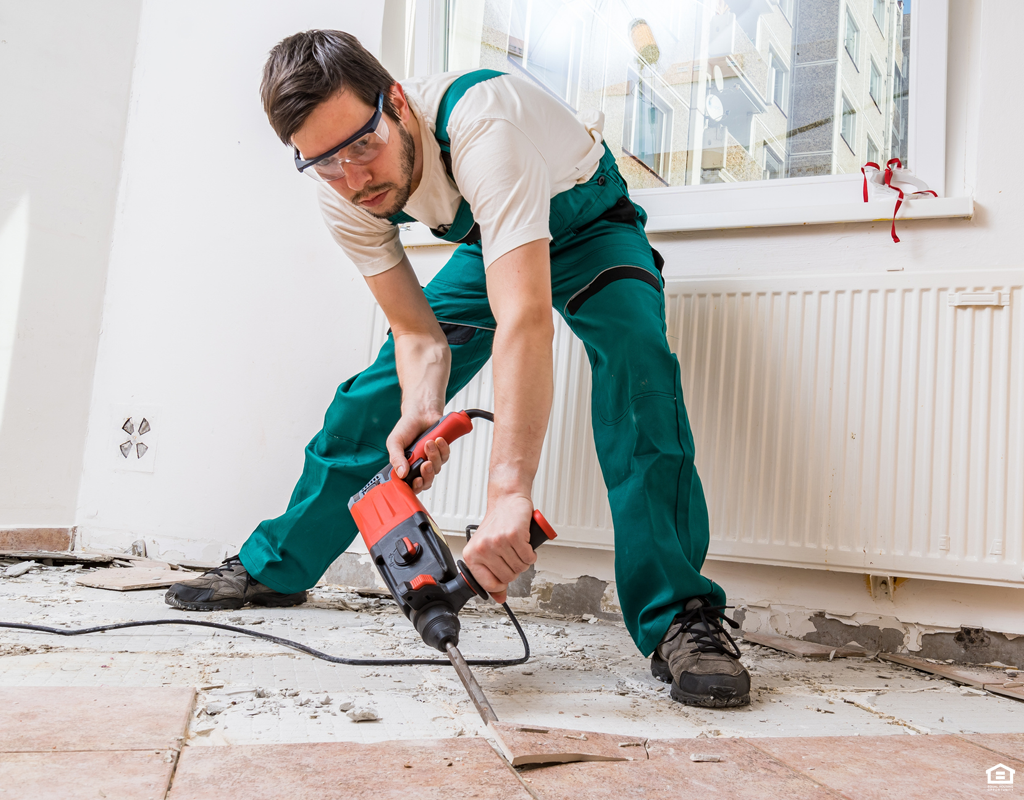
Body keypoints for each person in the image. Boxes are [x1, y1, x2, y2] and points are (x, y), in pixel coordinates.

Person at [165, 29, 749, 708]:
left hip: (589, 225)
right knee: (373, 398)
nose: (355, 179)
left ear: (396, 102)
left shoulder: (485, 127)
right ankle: (277, 565)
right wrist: (422, 404)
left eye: (363, 146)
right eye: (325, 162)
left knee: (639, 374)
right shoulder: (342, 191)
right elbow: (418, 334)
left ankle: (681, 617)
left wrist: (508, 494)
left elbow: (523, 321)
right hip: (490, 237)